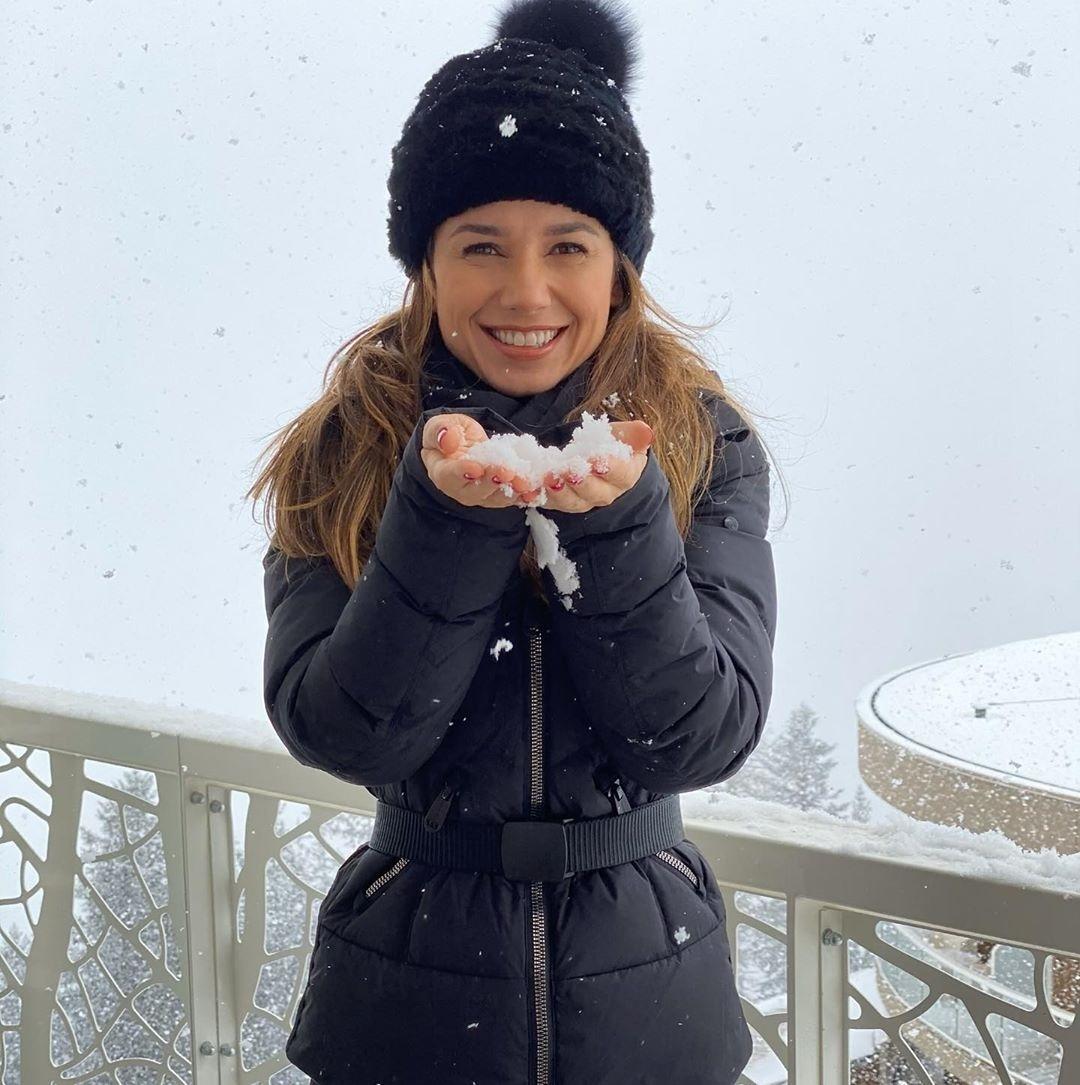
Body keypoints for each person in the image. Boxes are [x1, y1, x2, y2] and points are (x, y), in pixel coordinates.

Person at [249, 1, 779, 1081]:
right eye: (480, 245)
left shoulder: (698, 440)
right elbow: (347, 731)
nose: (525, 291)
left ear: (619, 264)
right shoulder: (345, 445)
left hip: (651, 1001)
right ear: (427, 264)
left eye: (568, 246)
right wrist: (447, 516)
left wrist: (616, 524)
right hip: (403, 1004)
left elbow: (700, 737)